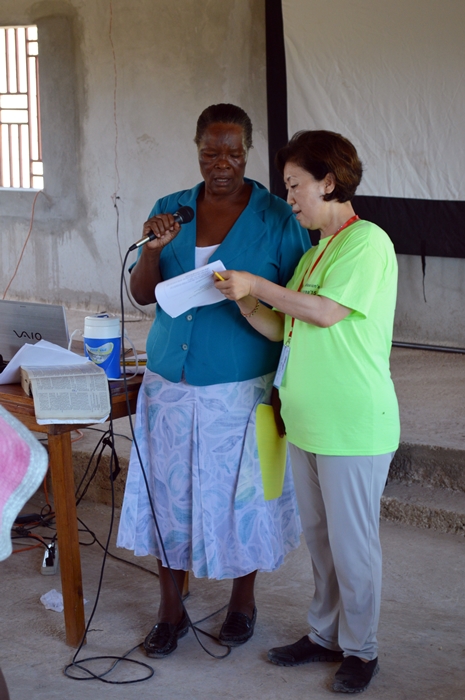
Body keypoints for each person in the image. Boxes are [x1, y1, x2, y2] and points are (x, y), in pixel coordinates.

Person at [116, 104, 310, 657]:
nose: (221, 164)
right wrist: (153, 251)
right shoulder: (170, 210)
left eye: (233, 153)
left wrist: (286, 386)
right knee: (169, 494)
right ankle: (169, 609)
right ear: (197, 148)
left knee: (241, 496)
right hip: (169, 382)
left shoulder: (277, 217)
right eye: (210, 152)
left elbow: (296, 308)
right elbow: (142, 294)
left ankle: (242, 601)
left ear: (248, 152)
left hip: (242, 386)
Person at [214, 130, 400, 693]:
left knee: (353, 546)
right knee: (321, 541)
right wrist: (245, 300)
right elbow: (283, 327)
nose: (290, 197)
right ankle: (324, 635)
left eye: (296, 185)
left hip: (353, 423)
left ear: (329, 181)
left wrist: (259, 282)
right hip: (307, 422)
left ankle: (362, 649)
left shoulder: (368, 242)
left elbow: (323, 312)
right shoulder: (315, 252)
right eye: (287, 186)